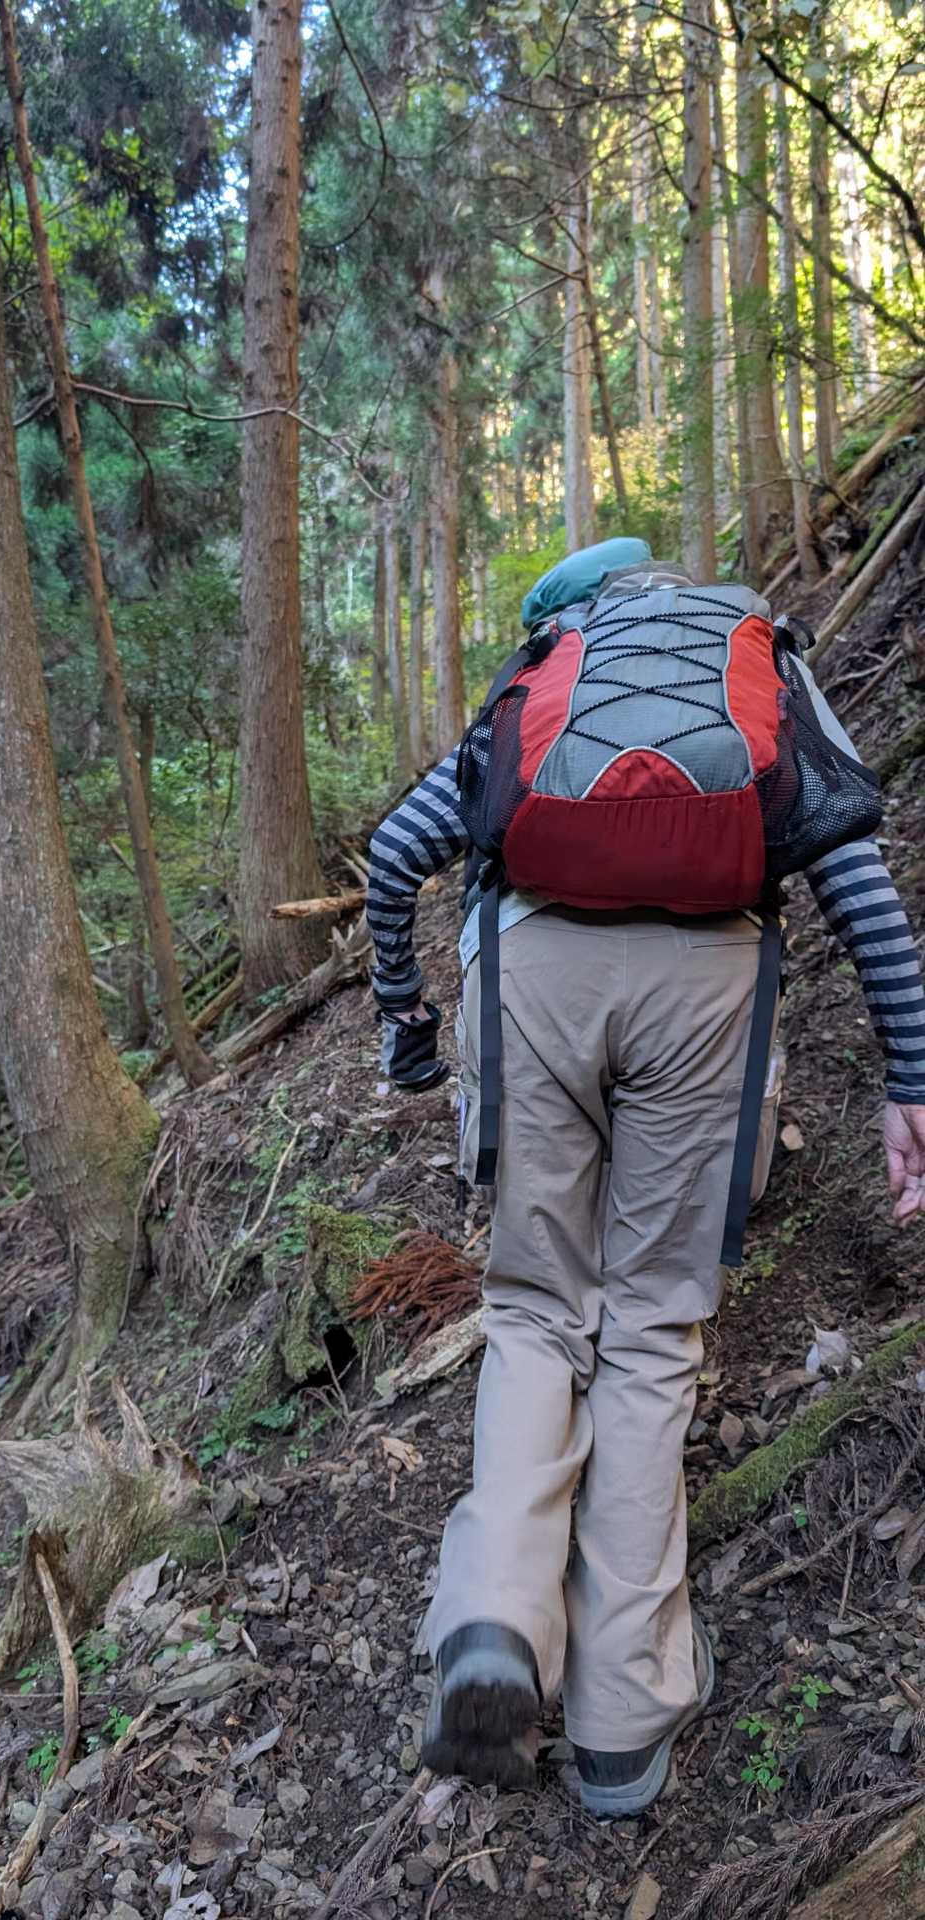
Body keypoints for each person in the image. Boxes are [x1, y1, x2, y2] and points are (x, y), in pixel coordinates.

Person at [365, 541, 925, 1818]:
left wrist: (406, 1027)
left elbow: (398, 855)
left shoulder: (545, 674)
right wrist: (912, 1073)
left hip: (534, 979)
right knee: (654, 1326)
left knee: (533, 1312)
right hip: (705, 985)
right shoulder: (756, 667)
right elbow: (854, 873)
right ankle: (622, 1716)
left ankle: (496, 1621)